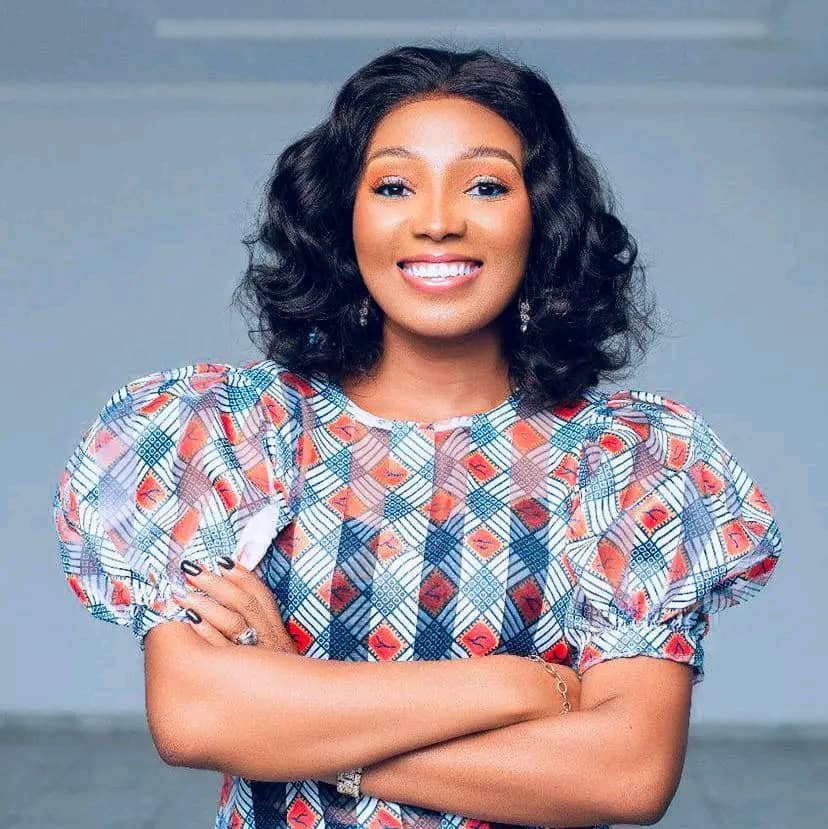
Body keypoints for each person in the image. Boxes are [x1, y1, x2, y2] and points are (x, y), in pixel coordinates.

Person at [52, 45, 784, 829]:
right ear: (345, 217)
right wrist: (518, 685)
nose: (437, 222)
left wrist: (299, 714)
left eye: (486, 185)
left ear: (542, 219)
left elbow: (625, 773)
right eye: (395, 185)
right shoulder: (229, 434)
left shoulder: (630, 460)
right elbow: (199, 719)